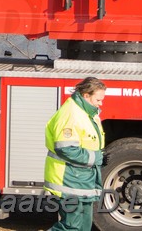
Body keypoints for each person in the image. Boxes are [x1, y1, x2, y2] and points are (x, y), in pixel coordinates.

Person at [44, 77, 108, 231]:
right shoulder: (71, 114)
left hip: (81, 180)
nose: (101, 103)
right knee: (71, 227)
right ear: (86, 95)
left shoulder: (86, 112)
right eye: (98, 99)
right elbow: (66, 149)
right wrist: (98, 157)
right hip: (69, 180)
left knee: (84, 226)